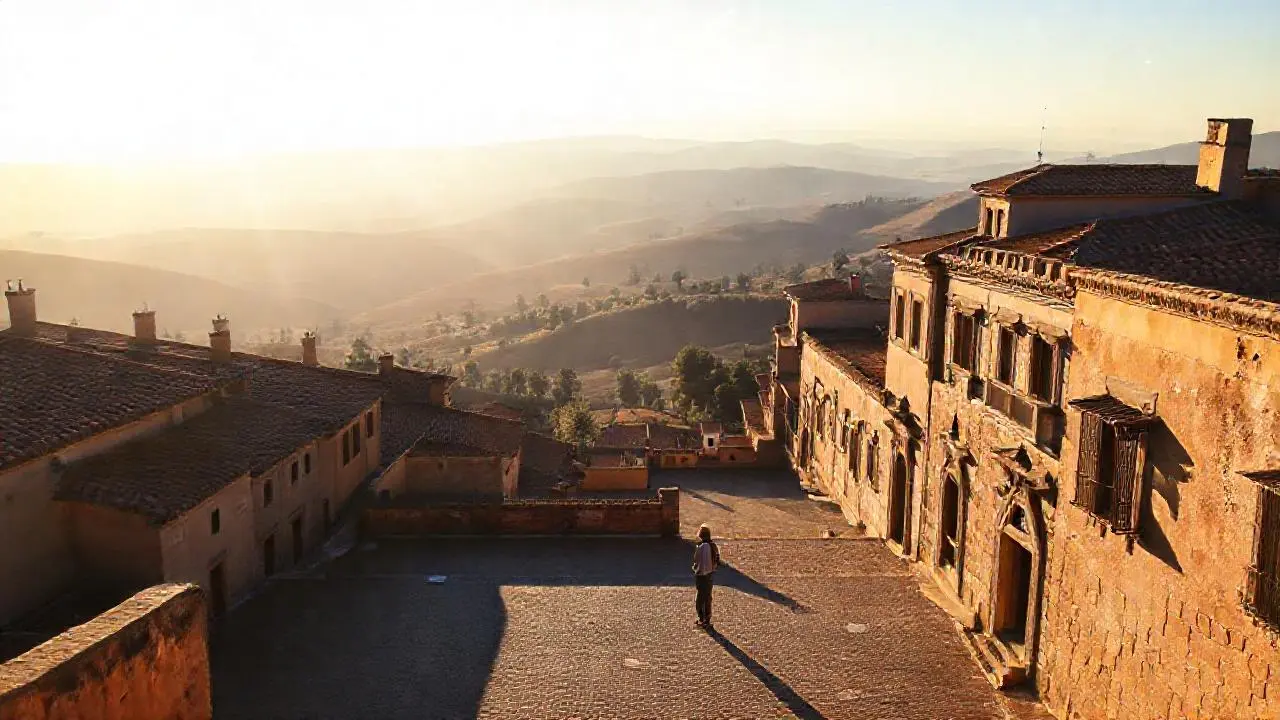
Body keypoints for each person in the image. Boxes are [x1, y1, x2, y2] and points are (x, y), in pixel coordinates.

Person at [691, 524, 720, 629]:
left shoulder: (701, 547)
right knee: (708, 596)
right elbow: (717, 559)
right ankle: (707, 619)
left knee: (700, 598)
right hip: (710, 574)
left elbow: (697, 562)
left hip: (701, 576)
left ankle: (702, 619)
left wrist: (696, 570)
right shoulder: (713, 546)